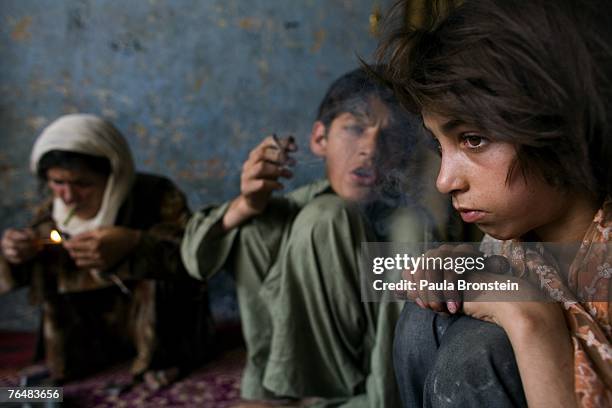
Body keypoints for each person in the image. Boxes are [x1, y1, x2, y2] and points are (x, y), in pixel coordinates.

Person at [375, 0, 612, 406]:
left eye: (473, 139)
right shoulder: (519, 245)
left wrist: (531, 321)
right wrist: (487, 267)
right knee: (426, 314)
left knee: (478, 352)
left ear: (558, 126)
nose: (445, 180)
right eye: (440, 144)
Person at [181, 67, 432, 407]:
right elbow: (196, 262)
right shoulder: (299, 206)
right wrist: (245, 205)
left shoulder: (408, 223)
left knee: (335, 218)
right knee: (261, 224)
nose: (370, 150)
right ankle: (276, 394)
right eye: (355, 128)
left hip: (369, 394)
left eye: (388, 137)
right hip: (288, 389)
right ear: (319, 139)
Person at [0, 114, 213, 388]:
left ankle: (161, 359)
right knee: (48, 255)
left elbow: (195, 259)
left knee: (155, 266)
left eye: (83, 184)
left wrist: (133, 243)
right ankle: (63, 371)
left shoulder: (158, 195)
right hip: (92, 335)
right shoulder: (52, 213)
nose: (68, 196)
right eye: (57, 182)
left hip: (155, 329)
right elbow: (20, 270)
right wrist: (15, 254)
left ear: (114, 174)